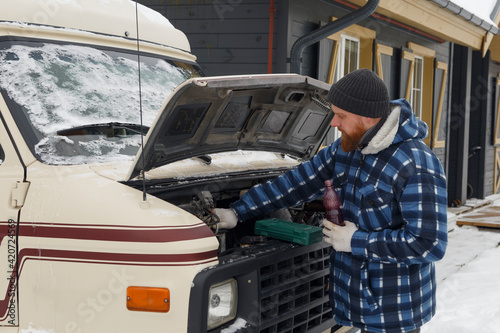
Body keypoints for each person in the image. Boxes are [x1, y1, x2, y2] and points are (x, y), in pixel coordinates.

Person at [216, 68, 448, 333]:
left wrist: (355, 241)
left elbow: (428, 244)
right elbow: (297, 183)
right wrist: (238, 211)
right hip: (356, 302)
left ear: (366, 117)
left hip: (395, 312)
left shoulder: (415, 163)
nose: (333, 123)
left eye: (341, 115)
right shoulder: (346, 150)